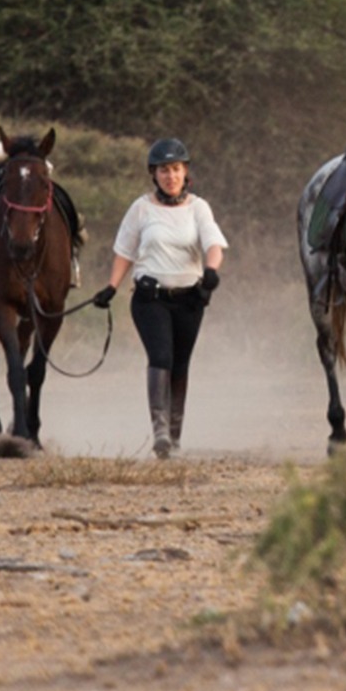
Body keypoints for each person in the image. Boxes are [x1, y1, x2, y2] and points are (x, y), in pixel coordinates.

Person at [91, 138, 227, 459]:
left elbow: (213, 243)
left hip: (190, 299)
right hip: (150, 298)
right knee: (161, 356)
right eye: (164, 170)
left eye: (176, 169)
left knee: (180, 364)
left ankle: (175, 438)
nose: (170, 176)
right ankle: (161, 432)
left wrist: (211, 271)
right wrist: (111, 287)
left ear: (185, 172)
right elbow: (124, 252)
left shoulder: (198, 207)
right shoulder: (141, 208)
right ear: (154, 174)